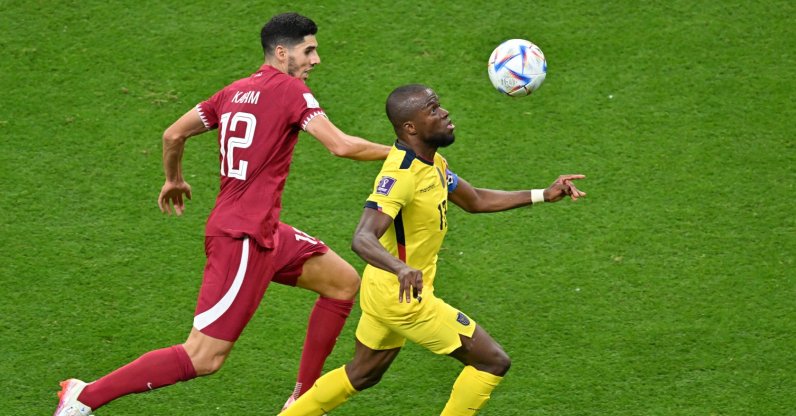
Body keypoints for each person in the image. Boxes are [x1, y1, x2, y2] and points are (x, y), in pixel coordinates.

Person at [54, 12, 392, 416]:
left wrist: (174, 179)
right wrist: (405, 155)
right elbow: (340, 145)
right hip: (243, 239)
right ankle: (84, 396)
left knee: (342, 282)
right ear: (282, 52)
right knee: (203, 357)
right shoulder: (291, 92)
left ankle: (303, 400)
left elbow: (173, 133)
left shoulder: (232, 93)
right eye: (309, 50)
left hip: (264, 231)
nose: (315, 60)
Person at [280, 84, 586, 416]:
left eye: (439, 106)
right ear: (410, 127)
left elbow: (476, 200)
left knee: (363, 373)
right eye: (433, 110)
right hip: (404, 297)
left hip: (383, 291)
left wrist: (543, 193)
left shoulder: (433, 162)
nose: (445, 113)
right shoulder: (400, 177)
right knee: (492, 362)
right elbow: (362, 237)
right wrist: (401, 269)